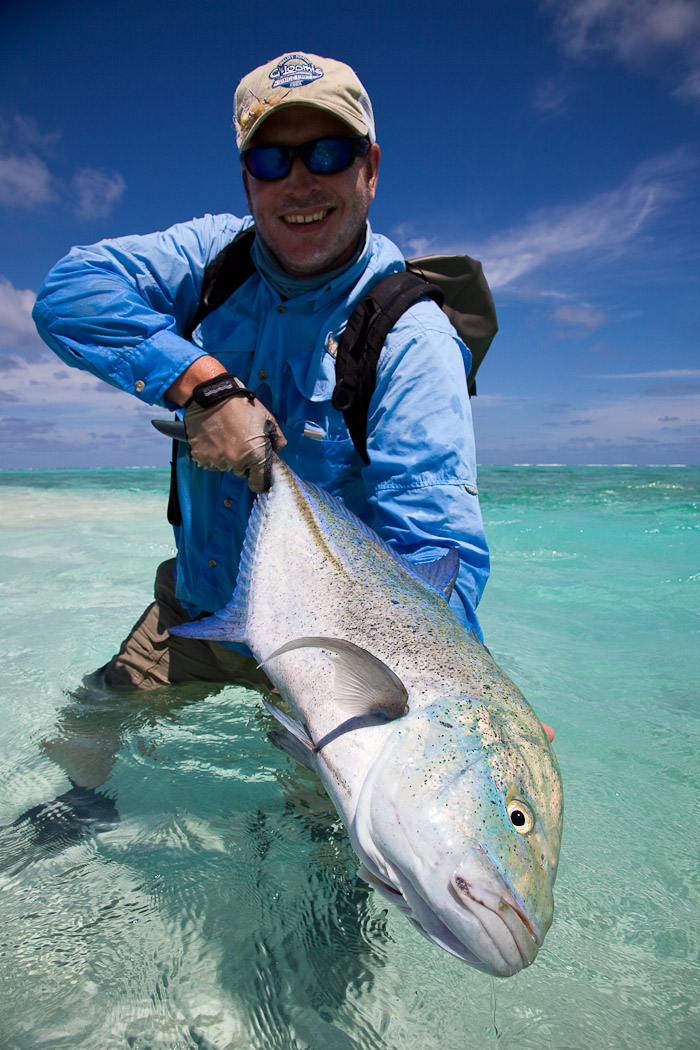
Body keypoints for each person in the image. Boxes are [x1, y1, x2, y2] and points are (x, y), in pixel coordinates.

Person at [30, 52, 491, 794]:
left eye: (328, 153)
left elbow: (437, 556)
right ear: (248, 180)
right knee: (88, 727)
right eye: (273, 160)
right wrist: (201, 385)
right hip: (201, 603)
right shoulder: (216, 257)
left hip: (328, 646)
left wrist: (463, 704)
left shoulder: (413, 340)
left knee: (324, 864)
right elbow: (68, 294)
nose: (300, 182)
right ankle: (70, 831)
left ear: (370, 168)